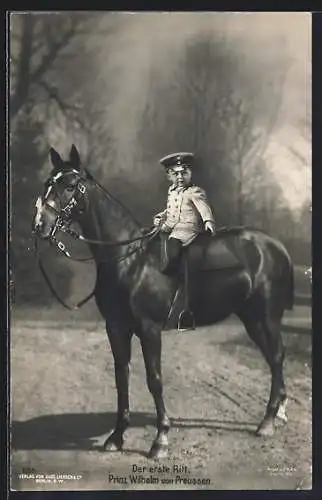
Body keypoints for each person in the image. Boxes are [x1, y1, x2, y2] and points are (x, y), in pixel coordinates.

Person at [153, 152, 216, 274]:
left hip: (187, 229)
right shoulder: (172, 191)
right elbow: (171, 209)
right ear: (169, 176)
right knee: (152, 238)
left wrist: (208, 221)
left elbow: (203, 207)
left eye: (184, 173)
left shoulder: (194, 192)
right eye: (176, 174)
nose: (180, 177)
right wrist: (161, 217)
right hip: (171, 226)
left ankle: (171, 271)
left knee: (173, 245)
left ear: (191, 174)